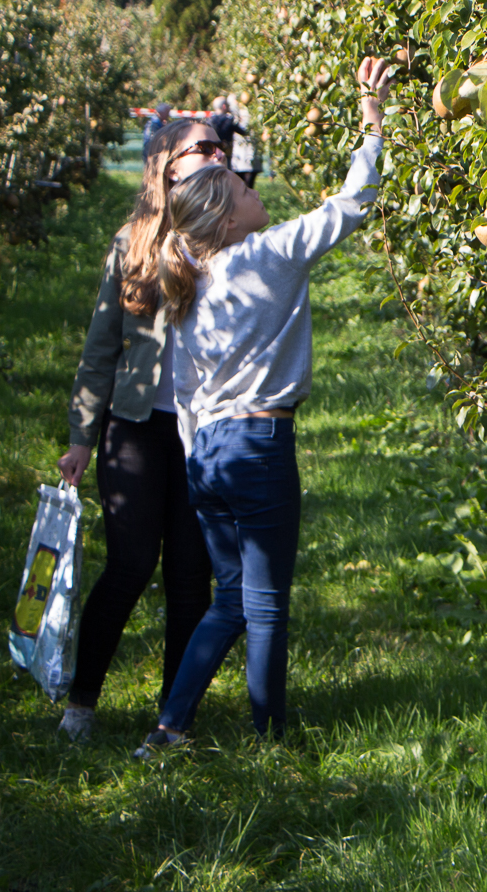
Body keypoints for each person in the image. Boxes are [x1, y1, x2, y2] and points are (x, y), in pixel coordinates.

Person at [135, 56, 393, 755]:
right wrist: (372, 120)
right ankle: (270, 740)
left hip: (209, 453)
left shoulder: (191, 284)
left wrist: (198, 460)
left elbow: (184, 391)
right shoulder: (269, 255)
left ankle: (169, 725)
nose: (252, 189)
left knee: (229, 600)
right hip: (259, 445)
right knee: (266, 605)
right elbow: (353, 203)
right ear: (226, 211)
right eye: (239, 189)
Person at [54, 119, 232, 740]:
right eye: (202, 147)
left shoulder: (228, 242)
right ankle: (81, 702)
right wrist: (81, 435)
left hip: (200, 430)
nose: (217, 154)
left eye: (220, 146)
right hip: (133, 427)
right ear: (167, 163)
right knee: (129, 565)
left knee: (190, 574)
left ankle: (172, 719)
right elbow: (100, 348)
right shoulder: (132, 242)